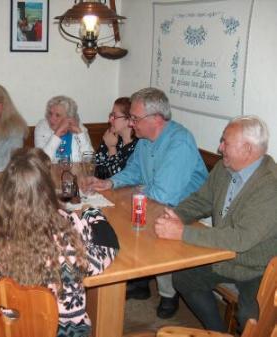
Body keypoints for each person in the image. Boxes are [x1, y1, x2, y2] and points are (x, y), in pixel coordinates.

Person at [0, 148, 118, 337]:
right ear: (48, 191)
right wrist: (93, 214)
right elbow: (103, 254)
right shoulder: (65, 234)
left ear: (4, 189)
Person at [86, 87, 208, 319]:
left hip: (188, 210)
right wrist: (110, 183)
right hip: (157, 201)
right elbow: (133, 171)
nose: (131, 124)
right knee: (120, 217)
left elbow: (164, 194)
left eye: (135, 118)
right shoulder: (144, 140)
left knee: (148, 224)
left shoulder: (179, 142)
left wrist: (138, 189)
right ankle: (140, 280)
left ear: (157, 119)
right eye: (130, 118)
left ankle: (168, 294)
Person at [155, 115, 277, 333]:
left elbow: (240, 239)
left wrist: (182, 233)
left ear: (247, 149)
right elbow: (201, 200)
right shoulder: (224, 168)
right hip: (225, 256)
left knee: (252, 320)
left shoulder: (270, 186)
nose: (220, 148)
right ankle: (217, 332)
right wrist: (174, 215)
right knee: (184, 277)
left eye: (225, 142)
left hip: (258, 268)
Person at [35, 95, 93, 163]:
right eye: (50, 113)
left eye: (57, 115)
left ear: (69, 117)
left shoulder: (79, 127)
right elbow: (42, 162)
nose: (51, 119)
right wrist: (57, 134)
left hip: (75, 173)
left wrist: (80, 133)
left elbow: (90, 160)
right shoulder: (42, 127)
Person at [95, 97, 138, 179]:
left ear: (129, 119)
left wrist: (111, 148)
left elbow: (119, 179)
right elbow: (97, 169)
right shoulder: (112, 137)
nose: (109, 120)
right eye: (111, 115)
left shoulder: (139, 146)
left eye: (114, 116)